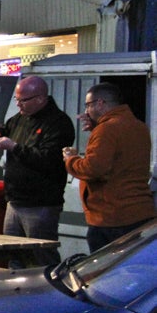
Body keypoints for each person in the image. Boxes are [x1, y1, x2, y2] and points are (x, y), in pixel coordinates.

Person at [0, 75, 74, 266]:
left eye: (23, 100)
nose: (18, 104)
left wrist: (14, 147)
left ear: (40, 99)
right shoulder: (20, 118)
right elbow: (5, 129)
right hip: (14, 200)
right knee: (13, 254)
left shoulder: (58, 123)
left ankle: (50, 284)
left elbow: (48, 159)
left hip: (41, 204)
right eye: (17, 99)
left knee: (41, 256)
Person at [63, 82, 156, 252]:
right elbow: (120, 159)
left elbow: (93, 169)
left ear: (100, 103)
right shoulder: (139, 126)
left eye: (88, 105)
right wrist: (96, 129)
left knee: (105, 267)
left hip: (110, 217)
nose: (86, 111)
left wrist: (71, 159)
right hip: (140, 213)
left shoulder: (106, 130)